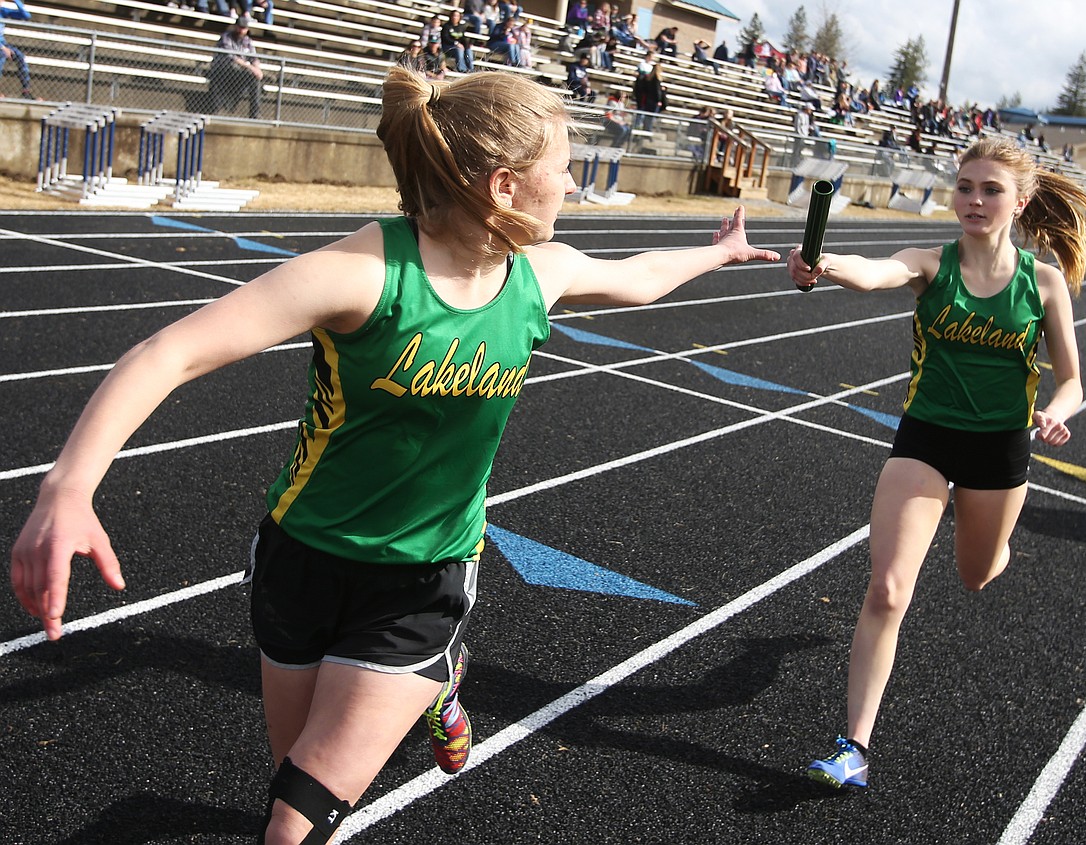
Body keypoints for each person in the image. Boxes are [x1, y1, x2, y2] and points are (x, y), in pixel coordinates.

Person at [9, 66, 781, 843]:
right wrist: (67, 489)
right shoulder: (363, 275)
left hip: (423, 580)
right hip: (301, 559)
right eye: (566, 166)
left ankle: (431, 668)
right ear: (506, 185)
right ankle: (440, 685)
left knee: (291, 825)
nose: (575, 186)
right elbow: (165, 353)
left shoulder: (542, 275)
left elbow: (639, 280)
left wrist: (719, 255)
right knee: (294, 781)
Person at [786, 136, 1086, 791]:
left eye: (990, 190)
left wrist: (1058, 410)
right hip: (926, 438)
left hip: (1001, 449)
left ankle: (996, 542)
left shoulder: (1042, 283)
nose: (975, 200)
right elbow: (878, 272)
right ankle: (854, 747)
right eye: (965, 187)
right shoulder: (930, 262)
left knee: (977, 572)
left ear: (1022, 199)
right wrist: (827, 263)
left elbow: (1071, 378)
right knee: (888, 588)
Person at [208, 14, 263, 119]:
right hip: (223, 70)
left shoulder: (248, 41)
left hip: (240, 71)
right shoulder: (226, 37)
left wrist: (257, 69)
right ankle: (215, 109)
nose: (242, 30)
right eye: (240, 27)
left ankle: (255, 113)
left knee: (255, 79)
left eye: (244, 28)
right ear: (235, 26)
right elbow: (232, 57)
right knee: (235, 67)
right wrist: (251, 68)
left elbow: (254, 58)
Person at [0, 0, 36, 100]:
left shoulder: (3, 11)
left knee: (20, 57)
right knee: (2, 54)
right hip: (2, 47)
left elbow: (26, 15)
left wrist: (16, 1)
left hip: (3, 44)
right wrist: (2, 48)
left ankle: (26, 90)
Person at [440, 9, 474, 74]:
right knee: (459, 49)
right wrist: (456, 43)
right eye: (454, 16)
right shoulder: (446, 26)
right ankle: (462, 69)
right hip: (448, 47)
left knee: (468, 50)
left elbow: (463, 38)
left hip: (458, 46)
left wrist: (468, 44)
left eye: (457, 16)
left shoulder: (461, 27)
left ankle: (471, 69)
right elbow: (445, 38)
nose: (455, 17)